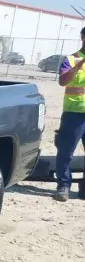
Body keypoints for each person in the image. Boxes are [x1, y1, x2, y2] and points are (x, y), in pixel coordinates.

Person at [54, 26, 85, 202]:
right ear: (82, 37)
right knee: (66, 152)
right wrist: (78, 66)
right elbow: (62, 81)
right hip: (74, 113)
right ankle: (63, 185)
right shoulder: (71, 59)